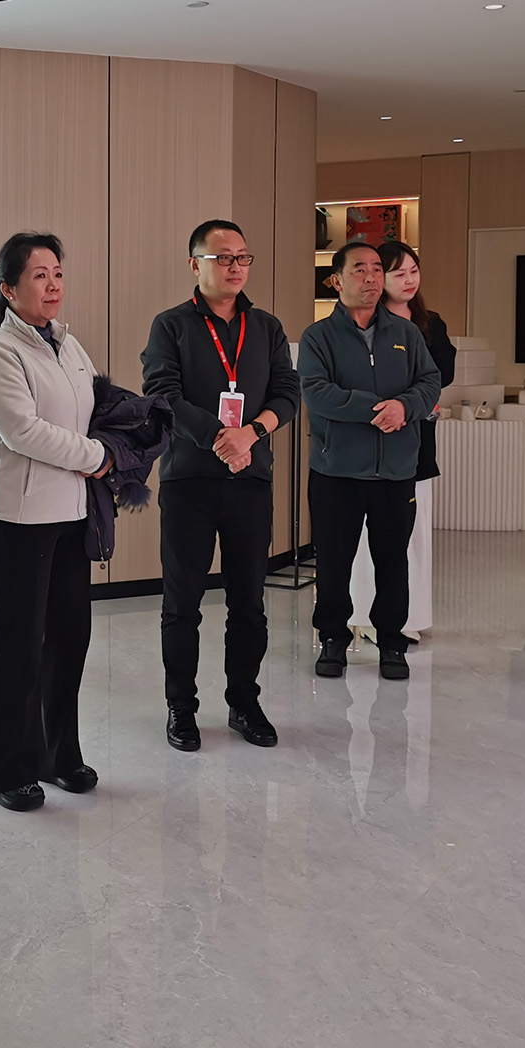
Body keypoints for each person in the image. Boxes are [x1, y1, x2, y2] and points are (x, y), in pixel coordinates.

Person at [141, 219, 300, 752]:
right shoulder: (171, 326)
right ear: (195, 265)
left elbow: (287, 392)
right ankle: (181, 708)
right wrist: (217, 437)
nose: (235, 266)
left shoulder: (267, 327)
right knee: (182, 602)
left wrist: (250, 433)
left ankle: (244, 703)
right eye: (223, 257)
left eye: (242, 257)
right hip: (189, 480)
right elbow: (163, 394)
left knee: (249, 601)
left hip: (249, 480)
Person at [0, 232, 111, 811]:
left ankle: (58, 755)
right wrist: (98, 456)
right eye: (38, 275)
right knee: (20, 647)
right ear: (8, 289)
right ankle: (4, 770)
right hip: (19, 519)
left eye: (57, 273)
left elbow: (94, 405)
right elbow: (24, 432)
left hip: (72, 514)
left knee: (69, 640)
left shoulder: (69, 345)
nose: (53, 285)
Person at [299, 239, 441, 682]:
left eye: (377, 269)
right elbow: (316, 393)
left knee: (393, 562)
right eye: (359, 269)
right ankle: (332, 639)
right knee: (334, 562)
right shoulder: (318, 336)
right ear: (336, 280)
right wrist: (378, 409)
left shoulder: (406, 333)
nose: (372, 277)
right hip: (336, 471)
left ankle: (392, 642)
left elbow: (430, 382)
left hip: (395, 472)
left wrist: (405, 407)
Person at [347, 241, 455, 642]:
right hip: (372, 438)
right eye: (398, 273)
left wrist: (414, 400)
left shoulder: (431, 324)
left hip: (417, 438)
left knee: (414, 533)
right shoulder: (364, 323)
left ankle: (409, 616)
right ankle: (363, 615)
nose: (408, 280)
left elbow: (440, 375)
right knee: (368, 535)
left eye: (413, 271)